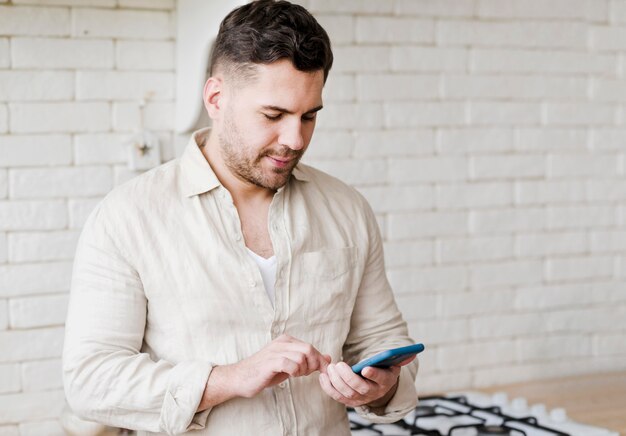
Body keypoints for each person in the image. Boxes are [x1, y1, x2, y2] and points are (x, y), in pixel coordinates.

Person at [62, 1, 419, 435]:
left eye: (309, 116)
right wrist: (228, 378)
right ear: (216, 98)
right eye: (273, 115)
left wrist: (380, 385)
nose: (295, 138)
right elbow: (90, 380)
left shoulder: (347, 209)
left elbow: (384, 342)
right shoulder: (127, 218)